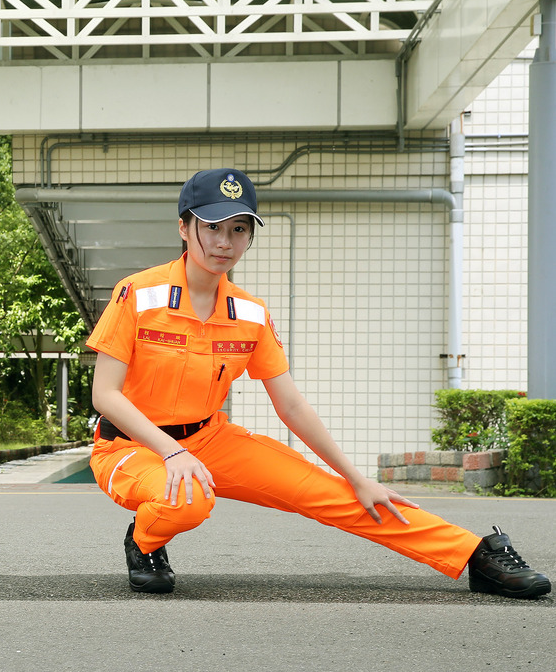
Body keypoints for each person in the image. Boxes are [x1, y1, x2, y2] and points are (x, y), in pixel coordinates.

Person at [87, 167, 550, 598]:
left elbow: (291, 406)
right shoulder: (139, 294)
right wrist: (172, 452)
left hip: (209, 441)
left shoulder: (249, 314)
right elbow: (105, 394)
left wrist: (357, 477)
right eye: (212, 227)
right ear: (184, 228)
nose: (225, 242)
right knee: (187, 498)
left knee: (336, 493)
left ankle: (473, 554)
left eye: (239, 229)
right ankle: (145, 540)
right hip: (129, 445)